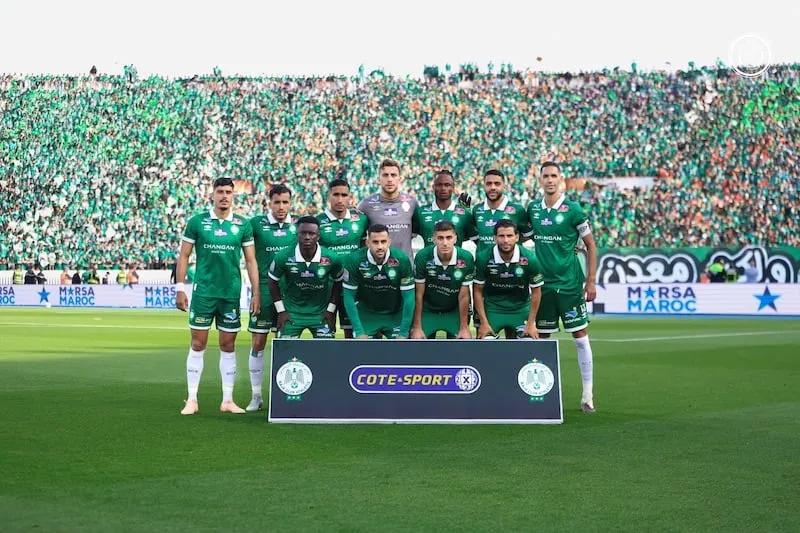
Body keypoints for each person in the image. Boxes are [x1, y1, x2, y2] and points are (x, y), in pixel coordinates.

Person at [175, 177, 260, 416]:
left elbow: (251, 260)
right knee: (198, 343)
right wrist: (180, 288)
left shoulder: (243, 225)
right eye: (220, 191)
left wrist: (256, 292)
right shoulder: (197, 222)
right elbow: (184, 255)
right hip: (204, 293)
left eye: (228, 192)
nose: (224, 196)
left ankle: (228, 400)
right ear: (212, 194)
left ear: (233, 195)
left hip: (230, 294)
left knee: (228, 345)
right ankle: (192, 400)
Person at [525, 161, 598, 413]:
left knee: (580, 337)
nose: (549, 180)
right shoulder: (533, 209)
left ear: (560, 179)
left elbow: (591, 245)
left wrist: (591, 280)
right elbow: (520, 236)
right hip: (543, 287)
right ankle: (541, 394)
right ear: (540, 180)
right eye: (545, 176)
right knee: (542, 340)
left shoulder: (573, 210)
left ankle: (587, 395)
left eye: (553, 175)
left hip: (569, 285)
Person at [246, 184, 297, 412]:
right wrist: (256, 293)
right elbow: (248, 256)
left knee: (285, 344)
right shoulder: (256, 224)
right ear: (269, 203)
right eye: (277, 202)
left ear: (290, 203)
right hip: (264, 293)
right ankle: (256, 396)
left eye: (285, 202)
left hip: (289, 294)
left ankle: (282, 395)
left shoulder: (298, 227)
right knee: (258, 342)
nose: (281, 207)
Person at [268, 216, 343, 339]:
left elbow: (338, 282)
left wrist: (330, 310)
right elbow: (272, 282)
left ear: (318, 236)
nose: (307, 237)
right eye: (303, 233)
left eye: (311, 233)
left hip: (321, 314)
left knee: (327, 350)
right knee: (285, 349)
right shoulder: (283, 256)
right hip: (292, 313)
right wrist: (281, 310)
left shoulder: (332, 258)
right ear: (297, 235)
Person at [473, 219, 543, 340]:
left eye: (509, 236)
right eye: (501, 236)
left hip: (520, 308)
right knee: (486, 342)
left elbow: (536, 292)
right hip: (493, 308)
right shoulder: (483, 257)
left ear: (517, 237)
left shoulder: (530, 258)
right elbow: (477, 291)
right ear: (495, 238)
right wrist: (484, 322)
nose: (505, 240)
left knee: (528, 341)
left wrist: (531, 324)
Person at [316, 178, 369, 339]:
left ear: (349, 197)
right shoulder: (317, 222)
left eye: (344, 195)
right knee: (325, 334)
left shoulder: (361, 219)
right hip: (327, 287)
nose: (340, 199)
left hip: (353, 286)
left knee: (352, 333)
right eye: (336, 195)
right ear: (328, 196)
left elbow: (365, 249)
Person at [342, 224, 415, 339]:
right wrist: (359, 331)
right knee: (363, 349)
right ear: (367, 243)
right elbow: (348, 297)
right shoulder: (353, 260)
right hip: (367, 315)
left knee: (401, 349)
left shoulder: (401, 259)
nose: (380, 246)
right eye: (375, 242)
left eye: (383, 241)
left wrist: (404, 332)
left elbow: (409, 297)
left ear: (389, 242)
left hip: (395, 315)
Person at [409, 221, 474, 340]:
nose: (445, 243)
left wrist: (464, 327)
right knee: (418, 342)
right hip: (428, 310)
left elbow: (464, 296)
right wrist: (417, 327)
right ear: (433, 239)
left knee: (461, 345)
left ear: (455, 238)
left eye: (449, 238)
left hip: (453, 311)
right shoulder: (423, 256)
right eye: (440, 238)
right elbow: (418, 294)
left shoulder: (466, 257)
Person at [357, 159, 419, 258]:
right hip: (378, 266)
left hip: (405, 265)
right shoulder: (366, 205)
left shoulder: (412, 203)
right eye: (385, 175)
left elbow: (416, 231)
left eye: (393, 175)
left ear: (400, 178)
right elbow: (358, 238)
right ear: (379, 179)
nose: (389, 179)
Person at [469, 169, 529, 256]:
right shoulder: (476, 209)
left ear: (504, 186)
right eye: (489, 183)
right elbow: (476, 237)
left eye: (497, 184)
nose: (493, 187)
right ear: (484, 186)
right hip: (483, 263)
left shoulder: (517, 210)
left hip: (510, 262)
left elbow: (527, 235)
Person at [412, 169, 473, 247]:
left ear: (453, 188)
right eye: (439, 185)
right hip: (429, 255)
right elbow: (406, 238)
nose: (443, 188)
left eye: (447, 185)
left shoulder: (465, 214)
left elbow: (472, 238)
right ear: (433, 187)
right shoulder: (420, 213)